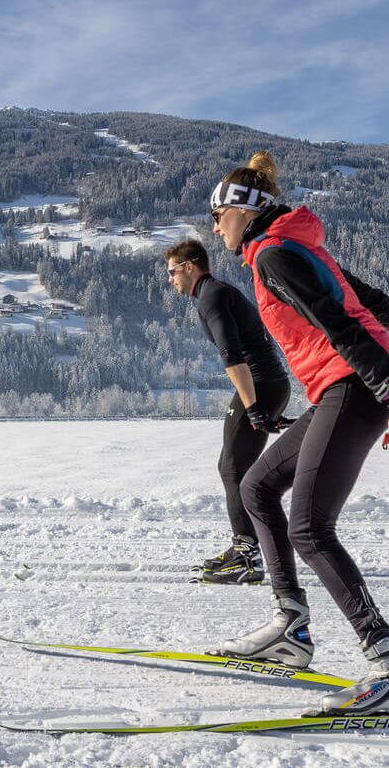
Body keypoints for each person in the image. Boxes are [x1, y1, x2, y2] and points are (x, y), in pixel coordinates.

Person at [201, 151, 389, 717]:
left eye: (217, 215)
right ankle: (290, 626)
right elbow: (369, 300)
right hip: (339, 390)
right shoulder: (294, 249)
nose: (214, 226)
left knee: (311, 528)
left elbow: (339, 324)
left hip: (354, 387)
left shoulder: (274, 256)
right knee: (257, 488)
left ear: (243, 212)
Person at [163, 238, 292, 585]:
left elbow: (232, 356)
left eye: (173, 272)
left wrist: (253, 407)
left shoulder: (211, 297)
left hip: (261, 385)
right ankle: (248, 550)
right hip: (270, 384)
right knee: (237, 467)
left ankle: (247, 557)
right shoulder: (218, 292)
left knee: (232, 469)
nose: (171, 280)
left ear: (190, 266)